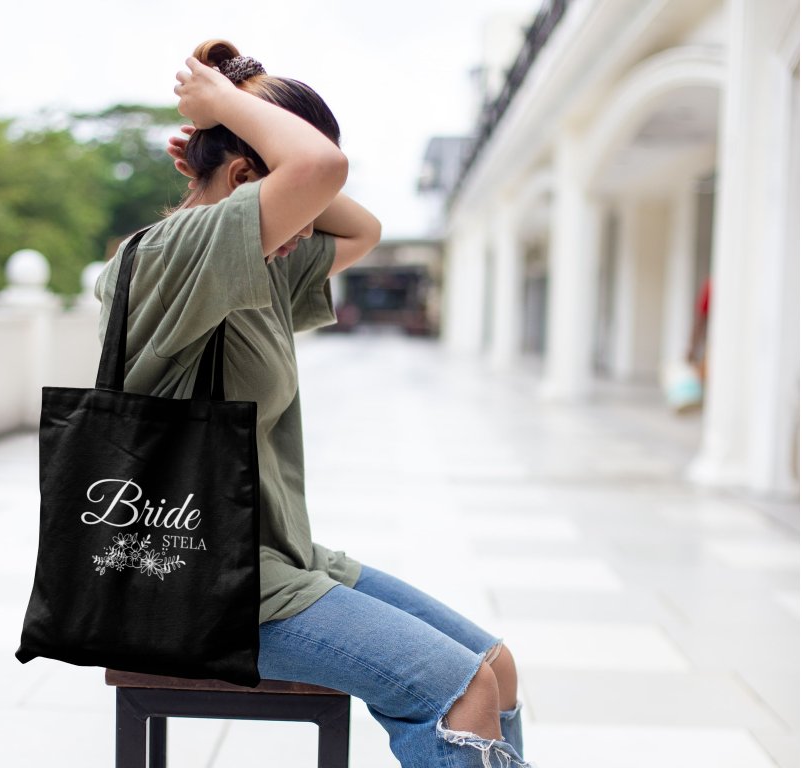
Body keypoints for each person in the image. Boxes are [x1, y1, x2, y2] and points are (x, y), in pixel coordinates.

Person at [94, 40, 532, 768]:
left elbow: (362, 228)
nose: (312, 224)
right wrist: (230, 111)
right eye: (301, 207)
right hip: (200, 581)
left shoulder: (257, 262)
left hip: (273, 556)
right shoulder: (179, 251)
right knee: (458, 691)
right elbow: (321, 170)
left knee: (497, 667)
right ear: (246, 177)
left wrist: (243, 133)